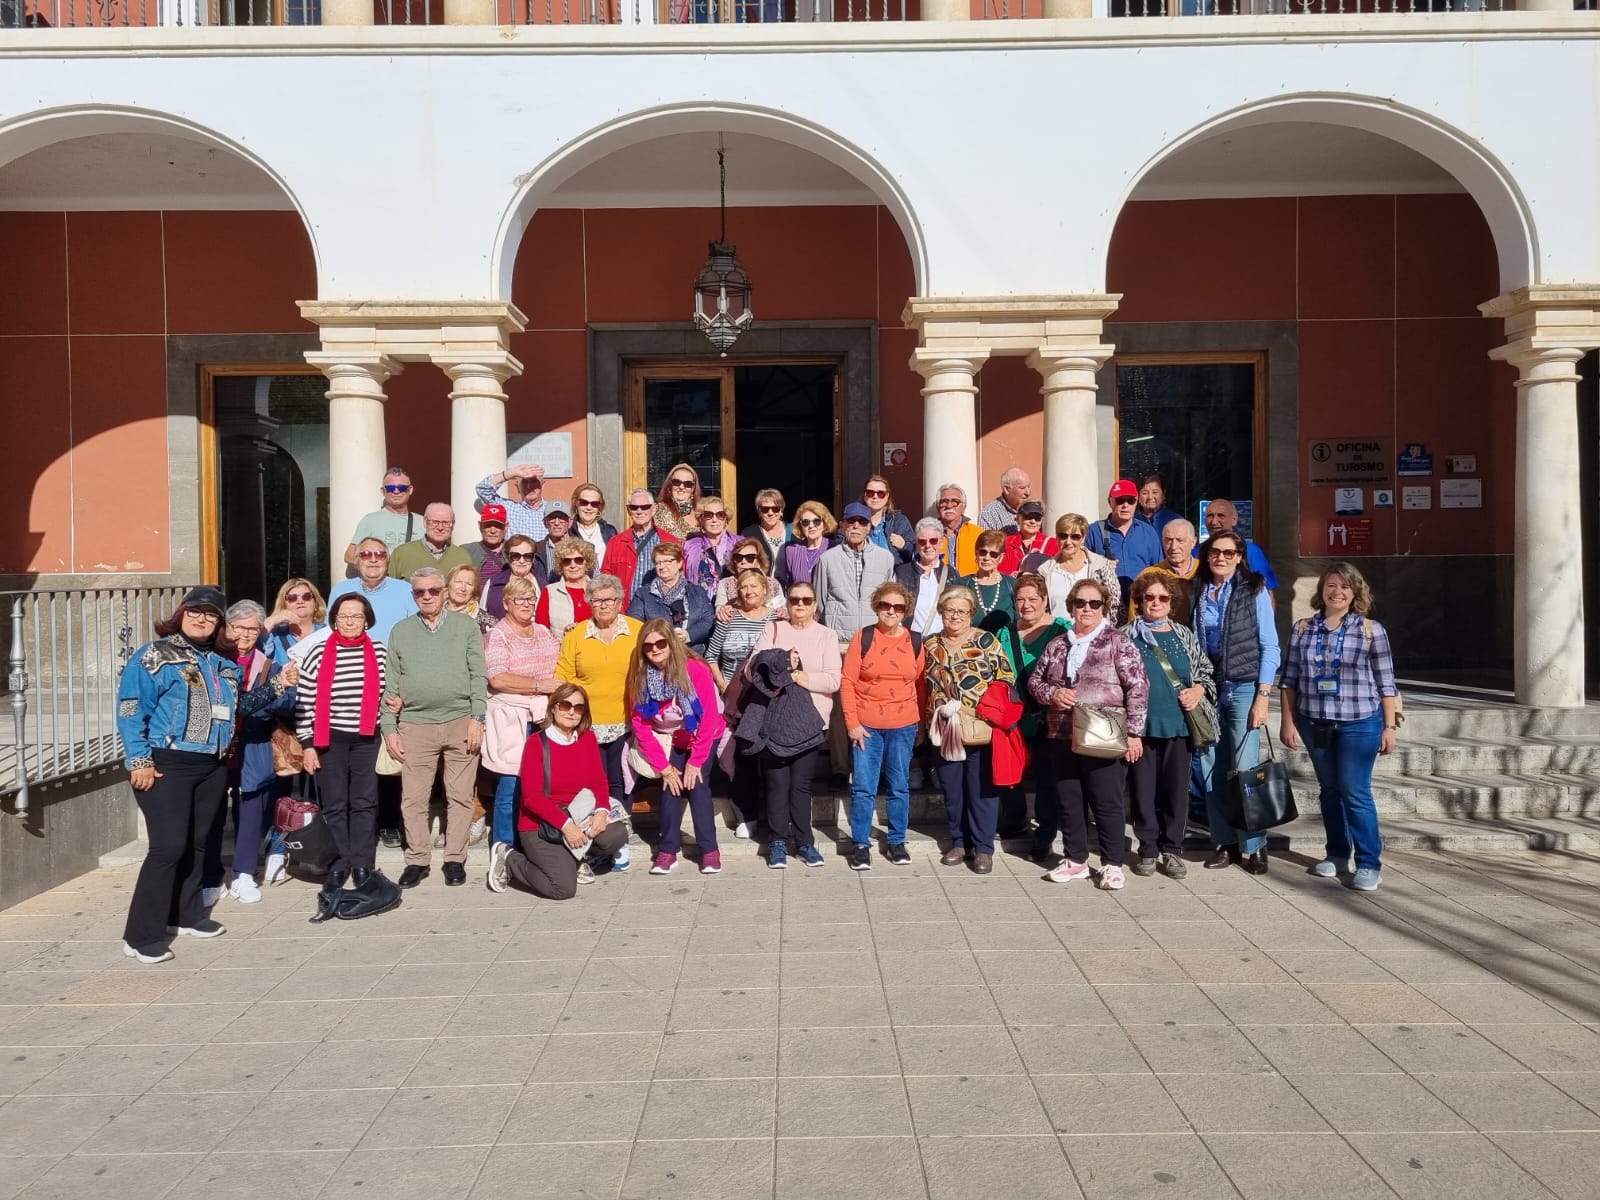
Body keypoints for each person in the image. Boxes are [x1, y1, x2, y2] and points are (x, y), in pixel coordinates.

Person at [115, 588, 262, 962]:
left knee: (199, 842)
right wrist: (139, 760)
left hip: (211, 765)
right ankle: (140, 935)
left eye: (211, 615)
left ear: (219, 624)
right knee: (167, 847)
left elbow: (236, 706)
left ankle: (185, 914)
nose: (202, 619)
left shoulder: (222, 664)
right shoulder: (154, 655)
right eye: (195, 611)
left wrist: (278, 685)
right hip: (167, 762)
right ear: (181, 613)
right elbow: (132, 708)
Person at [1280, 563, 1400, 892]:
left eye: (1345, 587)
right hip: (1314, 721)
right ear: (1321, 591)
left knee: (1354, 791)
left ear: (1355, 592)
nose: (1337, 592)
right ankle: (1336, 854)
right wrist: (1288, 721)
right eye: (1331, 585)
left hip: (1359, 722)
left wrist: (1389, 726)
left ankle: (1369, 863)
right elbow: (1289, 680)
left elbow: (1386, 683)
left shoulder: (1370, 630)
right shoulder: (1303, 629)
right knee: (1330, 791)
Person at [1030, 578, 1149, 892]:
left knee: (1106, 801)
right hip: (1062, 733)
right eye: (1080, 603)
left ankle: (1112, 864)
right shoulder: (1058, 644)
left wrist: (1135, 733)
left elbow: (1137, 687)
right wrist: (1053, 694)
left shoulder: (1117, 641)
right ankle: (1076, 859)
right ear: (1071, 606)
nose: (1086, 609)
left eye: (1094, 603)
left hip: (1103, 733)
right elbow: (1035, 682)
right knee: (1069, 800)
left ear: (1104, 607)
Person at [382, 567, 488, 889]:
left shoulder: (466, 626)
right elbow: (392, 685)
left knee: (460, 797)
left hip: (460, 721)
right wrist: (390, 728)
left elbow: (478, 675)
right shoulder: (401, 631)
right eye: (419, 592)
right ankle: (417, 860)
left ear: (444, 592)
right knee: (413, 799)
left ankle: (454, 859)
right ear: (414, 596)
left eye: (432, 590)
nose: (427, 596)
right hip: (416, 724)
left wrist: (477, 719)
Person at [488, 682, 630, 900]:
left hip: (578, 817)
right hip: (541, 825)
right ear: (553, 708)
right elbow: (532, 798)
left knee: (616, 833)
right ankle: (508, 858)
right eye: (565, 705)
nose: (571, 711)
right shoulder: (536, 744)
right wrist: (567, 826)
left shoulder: (587, 739)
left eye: (579, 707)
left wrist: (601, 811)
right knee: (562, 888)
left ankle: (574, 859)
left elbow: (599, 781)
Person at [295, 593, 392, 912]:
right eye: (344, 616)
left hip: (366, 738)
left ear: (367, 620)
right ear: (334, 619)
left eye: (357, 616)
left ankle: (362, 864)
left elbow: (388, 693)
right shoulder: (318, 652)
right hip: (329, 739)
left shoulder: (378, 651)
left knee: (364, 803)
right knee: (335, 804)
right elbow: (305, 702)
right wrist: (307, 744)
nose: (350, 621)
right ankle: (338, 864)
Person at [1192, 530, 1280, 876]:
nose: (1222, 558)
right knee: (1211, 766)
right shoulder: (1198, 589)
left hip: (1244, 686)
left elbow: (1270, 646)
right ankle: (1225, 842)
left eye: (1229, 553)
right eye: (1216, 552)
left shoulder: (1254, 589)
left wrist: (1264, 695)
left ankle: (1255, 845)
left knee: (1244, 768)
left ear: (1240, 556)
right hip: (1209, 687)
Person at [744, 580, 841, 868]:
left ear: (815, 605)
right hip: (775, 720)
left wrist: (798, 676)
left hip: (811, 721)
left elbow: (833, 679)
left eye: (806, 600)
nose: (800, 605)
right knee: (776, 784)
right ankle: (776, 840)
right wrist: (781, 662)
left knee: (801, 785)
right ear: (787, 603)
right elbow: (752, 669)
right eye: (795, 599)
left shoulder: (826, 635)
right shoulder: (774, 629)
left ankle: (805, 842)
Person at [203, 600, 293, 906]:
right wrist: (265, 696)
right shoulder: (210, 661)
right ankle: (211, 876)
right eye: (238, 627)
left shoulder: (270, 666)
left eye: (252, 628)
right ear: (226, 628)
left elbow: (285, 704)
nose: (244, 634)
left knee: (251, 810)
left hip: (253, 746)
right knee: (212, 813)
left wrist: (276, 694)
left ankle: (244, 873)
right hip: (214, 748)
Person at [1126, 571, 1213, 880]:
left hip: (1179, 725)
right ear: (1139, 601)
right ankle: (1147, 849)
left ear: (1172, 602)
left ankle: (1173, 849)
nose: (1156, 603)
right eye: (1149, 597)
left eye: (1163, 598)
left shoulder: (1183, 634)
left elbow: (1204, 669)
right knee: (1143, 791)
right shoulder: (1125, 636)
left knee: (1177, 791)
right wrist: (1129, 730)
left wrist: (1198, 690)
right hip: (1141, 728)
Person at [924, 584, 1016, 875]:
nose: (955, 616)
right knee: (952, 789)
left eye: (961, 611)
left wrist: (982, 705)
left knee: (981, 790)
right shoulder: (930, 644)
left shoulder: (987, 641)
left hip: (979, 725)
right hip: (945, 728)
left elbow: (1006, 678)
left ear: (971, 614)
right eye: (949, 610)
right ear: (941, 612)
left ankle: (983, 848)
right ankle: (959, 842)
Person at [481, 575, 566, 876]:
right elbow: (497, 678)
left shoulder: (543, 632)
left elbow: (561, 664)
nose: (527, 605)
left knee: (542, 786)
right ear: (505, 604)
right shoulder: (498, 635)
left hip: (543, 719)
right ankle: (505, 850)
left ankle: (536, 845)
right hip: (512, 719)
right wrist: (541, 684)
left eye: (531, 599)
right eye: (520, 599)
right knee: (511, 786)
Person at [629, 619, 727, 875]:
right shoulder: (641, 675)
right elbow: (640, 725)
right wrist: (664, 767)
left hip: (702, 732)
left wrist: (695, 762)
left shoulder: (694, 669)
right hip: (668, 735)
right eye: (648, 645)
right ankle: (667, 850)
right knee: (670, 784)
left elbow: (709, 716)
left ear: (671, 643)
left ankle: (709, 849)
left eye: (661, 643)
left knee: (696, 784)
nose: (654, 649)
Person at [839, 580, 924, 869]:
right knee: (864, 786)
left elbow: (920, 684)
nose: (891, 611)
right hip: (867, 726)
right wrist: (852, 723)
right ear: (877, 606)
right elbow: (847, 682)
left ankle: (897, 841)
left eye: (898, 607)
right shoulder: (863, 638)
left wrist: (920, 723)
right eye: (886, 605)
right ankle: (861, 843)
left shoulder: (915, 641)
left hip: (903, 724)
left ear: (905, 611)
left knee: (899, 785)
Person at [814, 502, 896, 783]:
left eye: (862, 522)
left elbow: (890, 601)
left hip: (873, 640)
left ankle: (870, 769)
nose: (857, 527)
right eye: (851, 522)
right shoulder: (828, 558)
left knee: (873, 704)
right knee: (840, 709)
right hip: (840, 643)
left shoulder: (885, 559)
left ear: (869, 526)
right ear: (843, 525)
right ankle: (839, 768)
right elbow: (821, 601)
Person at [994, 572, 1067, 854]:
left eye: (1033, 599)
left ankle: (1045, 835)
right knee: (1010, 772)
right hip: (1014, 717)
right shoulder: (1005, 633)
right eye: (1021, 599)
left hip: (1050, 717)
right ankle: (1014, 821)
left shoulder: (1061, 630)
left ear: (1045, 600)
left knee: (1048, 778)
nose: (1026, 605)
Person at [556, 574, 641, 812]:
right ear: (589, 603)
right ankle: (595, 828)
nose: (603, 605)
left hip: (624, 721)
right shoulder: (576, 634)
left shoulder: (637, 630)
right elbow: (562, 676)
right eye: (597, 600)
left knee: (620, 779)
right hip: (587, 722)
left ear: (620, 602)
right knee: (592, 780)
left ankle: (620, 826)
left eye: (609, 599)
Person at [1084, 479, 1164, 602]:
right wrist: (1101, 564)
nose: (1125, 505)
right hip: (1105, 603)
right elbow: (1083, 569)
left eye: (1130, 501)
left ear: (1136, 502)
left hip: (1141, 602)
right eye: (1120, 501)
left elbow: (1159, 570)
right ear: (1110, 502)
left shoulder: (1148, 532)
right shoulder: (1094, 532)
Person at [628, 540, 713, 654]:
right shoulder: (643, 594)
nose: (661, 567)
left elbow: (708, 620)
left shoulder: (698, 592)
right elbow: (635, 624)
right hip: (658, 654)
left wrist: (688, 635)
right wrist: (662, 638)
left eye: (667, 561)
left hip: (692, 654)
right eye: (658, 563)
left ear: (679, 563)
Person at [328, 537, 418, 644]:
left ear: (387, 561)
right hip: (351, 655)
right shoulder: (341, 590)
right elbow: (330, 628)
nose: (373, 560)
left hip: (393, 658)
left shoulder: (406, 590)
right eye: (366, 555)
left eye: (380, 555)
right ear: (357, 562)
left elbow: (417, 629)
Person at [602, 488, 679, 605]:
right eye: (634, 507)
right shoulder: (616, 543)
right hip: (626, 611)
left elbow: (681, 578)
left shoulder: (669, 541)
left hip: (659, 612)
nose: (639, 511)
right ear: (628, 510)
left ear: (653, 509)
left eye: (644, 507)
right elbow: (606, 580)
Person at [1039, 514, 1121, 621]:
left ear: (1083, 538)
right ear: (1057, 537)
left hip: (1095, 634)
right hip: (1058, 634)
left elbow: (1114, 602)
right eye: (1063, 536)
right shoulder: (1045, 571)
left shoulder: (1101, 565)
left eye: (1075, 537)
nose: (1068, 542)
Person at [343, 467, 422, 569]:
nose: (396, 492)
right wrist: (376, 568)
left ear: (410, 490)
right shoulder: (370, 520)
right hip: (383, 583)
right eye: (390, 488)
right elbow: (349, 556)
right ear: (383, 491)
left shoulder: (422, 522)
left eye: (402, 488)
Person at [1199, 498, 1279, 591]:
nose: (1214, 522)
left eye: (1221, 516)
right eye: (1210, 516)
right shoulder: (1198, 550)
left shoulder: (1251, 551)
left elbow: (1267, 592)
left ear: (1234, 520)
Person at [389, 503, 474, 585]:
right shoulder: (402, 553)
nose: (440, 528)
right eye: (435, 522)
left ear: (453, 525)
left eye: (445, 523)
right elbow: (390, 589)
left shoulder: (462, 556)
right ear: (425, 522)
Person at [897, 517, 952, 637]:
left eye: (933, 541)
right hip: (912, 642)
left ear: (941, 543)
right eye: (922, 541)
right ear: (916, 544)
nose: (928, 546)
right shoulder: (901, 573)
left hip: (943, 642)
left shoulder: (952, 574)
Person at [535, 536, 596, 639]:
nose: (573, 565)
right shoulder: (550, 592)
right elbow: (541, 631)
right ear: (561, 565)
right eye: (567, 561)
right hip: (561, 651)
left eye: (578, 560)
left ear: (587, 562)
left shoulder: (599, 590)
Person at [476, 462, 549, 542]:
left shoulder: (553, 510)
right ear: (518, 487)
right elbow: (483, 489)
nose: (529, 486)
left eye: (534, 482)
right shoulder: (508, 508)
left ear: (543, 485)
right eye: (524, 482)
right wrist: (512, 473)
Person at [959, 529, 1015, 632]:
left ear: (1001, 557)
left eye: (993, 554)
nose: (986, 558)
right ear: (976, 553)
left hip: (1004, 646)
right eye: (983, 552)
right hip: (970, 646)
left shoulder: (1012, 585)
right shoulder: (961, 585)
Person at [712, 538, 784, 616]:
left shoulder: (773, 584)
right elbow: (719, 611)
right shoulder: (725, 584)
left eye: (750, 557)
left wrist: (783, 612)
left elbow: (782, 610)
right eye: (738, 557)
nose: (743, 561)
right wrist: (723, 611)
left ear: (759, 561)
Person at [684, 496, 737, 601]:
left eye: (720, 515)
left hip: (732, 605)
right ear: (701, 519)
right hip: (701, 606)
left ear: (726, 519)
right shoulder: (689, 546)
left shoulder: (739, 544)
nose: (714, 520)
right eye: (708, 515)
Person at [263, 577, 326, 665]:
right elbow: (254, 650)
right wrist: (271, 620)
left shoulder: (327, 633)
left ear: (316, 603)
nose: (300, 601)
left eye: (306, 596)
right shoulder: (274, 636)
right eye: (292, 598)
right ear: (284, 605)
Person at [482, 534, 546, 621]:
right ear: (508, 557)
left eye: (527, 556)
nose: (522, 561)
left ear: (533, 558)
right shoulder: (493, 583)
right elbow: (482, 616)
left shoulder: (543, 586)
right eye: (516, 556)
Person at [775, 500, 836, 589]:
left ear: (825, 524)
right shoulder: (792, 551)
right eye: (805, 522)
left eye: (817, 521)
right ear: (800, 526)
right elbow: (789, 586)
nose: (811, 526)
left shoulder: (834, 548)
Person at [860, 474, 914, 563]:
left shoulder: (899, 521)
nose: (875, 496)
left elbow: (916, 552)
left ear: (887, 495)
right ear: (865, 495)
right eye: (870, 492)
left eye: (880, 493)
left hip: (894, 574)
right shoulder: (855, 521)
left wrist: (904, 545)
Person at [935, 483, 982, 576]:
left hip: (969, 587)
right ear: (937, 507)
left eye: (955, 501)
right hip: (938, 588)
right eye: (944, 501)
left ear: (963, 507)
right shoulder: (928, 534)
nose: (949, 506)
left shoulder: (978, 534)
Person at [1001, 501, 1058, 575]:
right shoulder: (1006, 542)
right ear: (1018, 519)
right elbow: (999, 571)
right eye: (1028, 517)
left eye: (1037, 518)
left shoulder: (1052, 543)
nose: (1033, 521)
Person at [654, 462, 703, 540]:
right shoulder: (660, 509)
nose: (681, 487)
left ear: (693, 488)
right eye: (676, 482)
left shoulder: (701, 512)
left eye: (688, 484)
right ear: (670, 485)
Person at [742, 487, 790, 566]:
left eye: (775, 509)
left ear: (781, 510)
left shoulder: (793, 531)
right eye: (765, 509)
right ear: (759, 512)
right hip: (763, 578)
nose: (770, 513)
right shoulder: (749, 533)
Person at [445, 561, 495, 635]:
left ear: (474, 590)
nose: (463, 588)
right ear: (448, 585)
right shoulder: (433, 614)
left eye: (469, 584)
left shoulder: (486, 622)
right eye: (458, 582)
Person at [977, 466, 1032, 533]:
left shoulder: (1035, 509)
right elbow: (987, 542)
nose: (1028, 493)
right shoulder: (989, 514)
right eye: (1022, 488)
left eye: (1029, 486)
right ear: (1007, 489)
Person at [569, 482, 617, 557]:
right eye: (584, 502)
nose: (589, 507)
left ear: (599, 507)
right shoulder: (569, 531)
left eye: (594, 504)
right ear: (576, 504)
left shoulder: (610, 531)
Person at [462, 503, 509, 575]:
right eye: (488, 525)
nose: (492, 531)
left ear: (506, 527)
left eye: (498, 525)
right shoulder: (466, 551)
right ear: (480, 526)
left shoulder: (514, 552)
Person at [1135, 473, 1185, 539]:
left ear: (1163, 494)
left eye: (1155, 492)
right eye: (1145, 493)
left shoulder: (1176, 521)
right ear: (1138, 496)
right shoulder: (1132, 521)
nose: (1150, 497)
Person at [532, 501, 574, 578]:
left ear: (570, 522)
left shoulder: (584, 549)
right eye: (552, 518)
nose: (557, 523)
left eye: (561, 518)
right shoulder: (534, 550)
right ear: (545, 522)